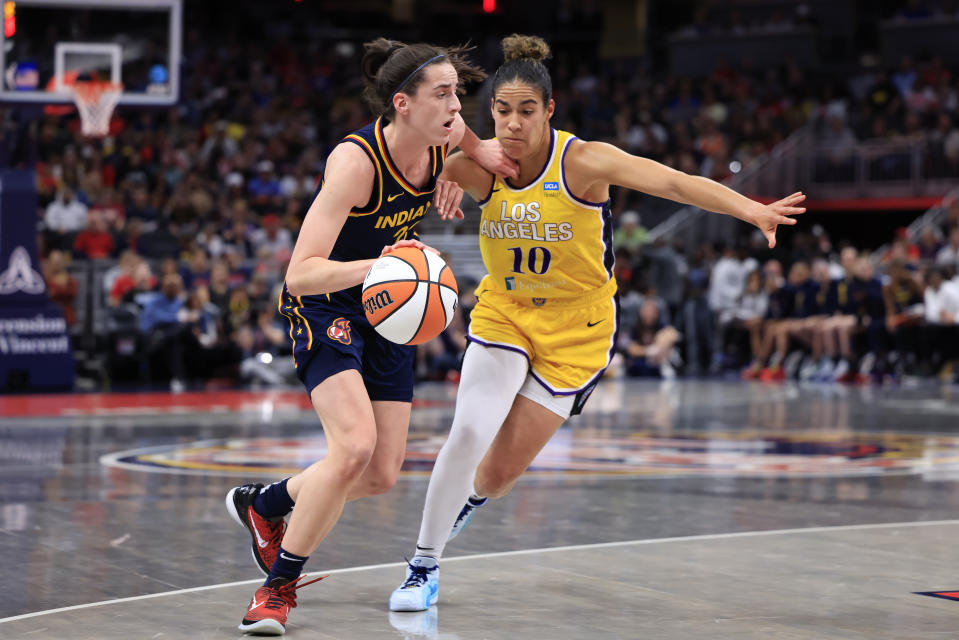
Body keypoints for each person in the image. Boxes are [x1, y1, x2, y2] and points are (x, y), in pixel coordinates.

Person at [388, 34, 805, 612]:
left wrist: (751, 208)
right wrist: (443, 175)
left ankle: (472, 500)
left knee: (498, 473)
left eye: (526, 111)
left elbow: (675, 183)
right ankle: (422, 566)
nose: (512, 124)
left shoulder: (583, 162)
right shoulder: (477, 165)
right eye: (501, 111)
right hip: (506, 313)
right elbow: (411, 157)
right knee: (468, 430)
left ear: (550, 110)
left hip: (578, 331)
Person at [224, 38, 517, 636]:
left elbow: (475, 145)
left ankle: (269, 503)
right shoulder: (354, 163)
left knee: (381, 474)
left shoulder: (445, 138)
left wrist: (468, 164)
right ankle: (276, 590)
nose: (457, 106)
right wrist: (387, 266)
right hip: (325, 302)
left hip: (386, 312)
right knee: (353, 447)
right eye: (442, 94)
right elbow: (299, 271)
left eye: (458, 94)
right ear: (402, 105)